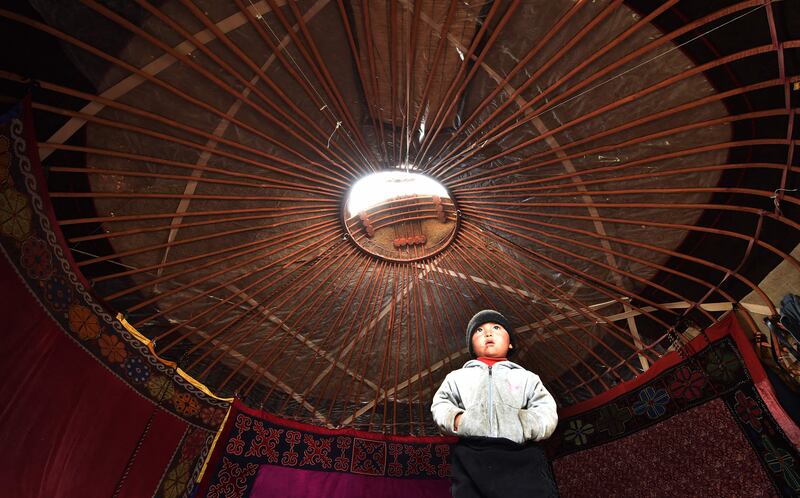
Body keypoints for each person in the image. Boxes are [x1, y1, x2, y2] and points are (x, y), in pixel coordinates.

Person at [431, 310, 559, 498]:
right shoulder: (458, 377)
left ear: (510, 343)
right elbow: (441, 403)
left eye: (496, 328)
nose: (488, 333)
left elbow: (545, 407)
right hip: (472, 453)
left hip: (520, 452)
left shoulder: (526, 378)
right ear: (472, 347)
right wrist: (459, 420)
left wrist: (525, 425)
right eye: (479, 330)